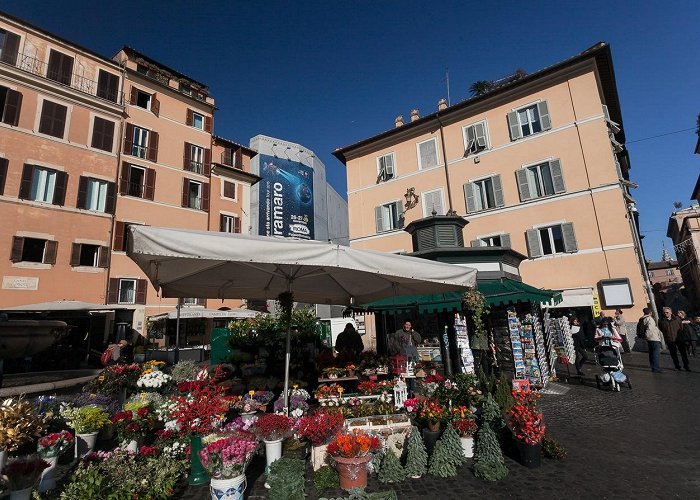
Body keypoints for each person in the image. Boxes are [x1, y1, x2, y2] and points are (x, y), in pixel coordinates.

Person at [658, 307, 690, 371]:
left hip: (679, 339)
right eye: (664, 312)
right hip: (669, 340)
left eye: (667, 312)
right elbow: (661, 329)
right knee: (673, 354)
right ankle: (677, 366)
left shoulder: (677, 319)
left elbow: (681, 328)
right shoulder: (661, 320)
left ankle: (686, 366)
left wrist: (680, 336)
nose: (665, 313)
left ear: (671, 312)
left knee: (683, 353)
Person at [638, 308, 663, 373]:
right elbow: (650, 329)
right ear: (650, 313)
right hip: (653, 338)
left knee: (652, 353)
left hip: (650, 339)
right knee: (655, 353)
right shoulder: (649, 319)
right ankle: (656, 368)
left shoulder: (642, 319)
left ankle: (653, 367)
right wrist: (648, 337)